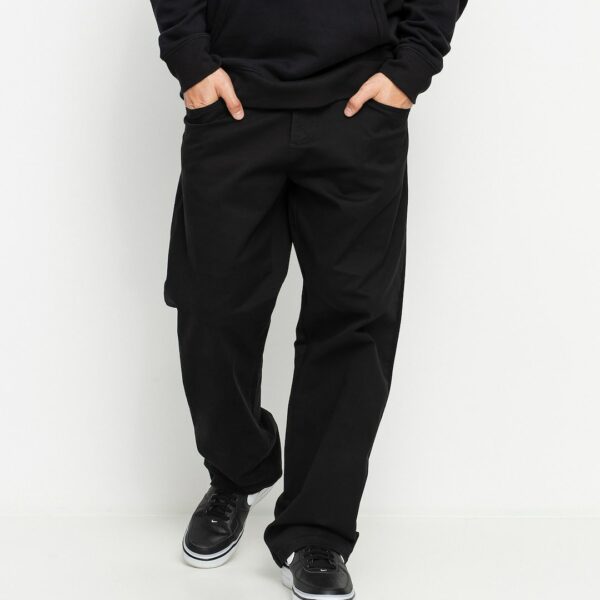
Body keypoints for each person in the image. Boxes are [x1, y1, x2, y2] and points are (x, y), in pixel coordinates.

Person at [149, 0, 467, 597]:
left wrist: (410, 68)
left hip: (359, 107)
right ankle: (239, 471)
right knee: (211, 306)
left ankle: (318, 529)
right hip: (232, 100)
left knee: (352, 321)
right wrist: (191, 60)